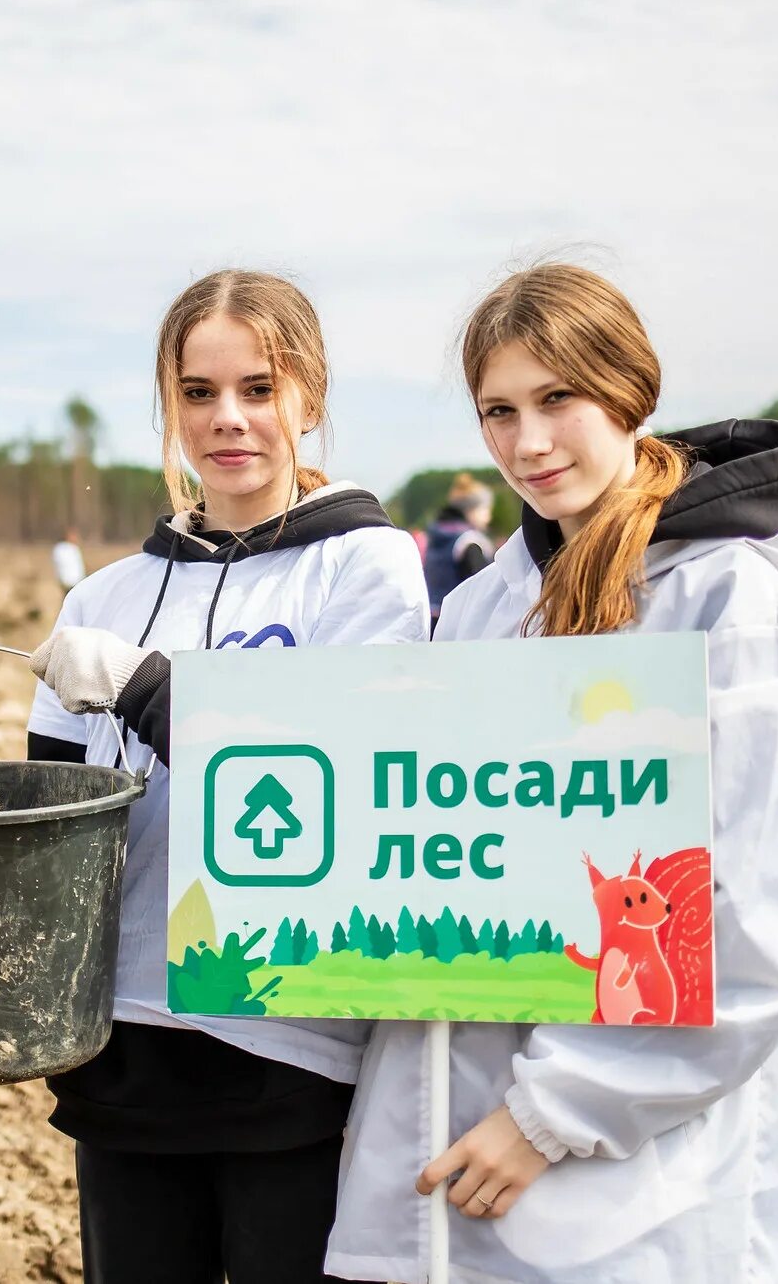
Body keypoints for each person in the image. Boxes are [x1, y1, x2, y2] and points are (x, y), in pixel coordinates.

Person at [327, 264, 778, 1283]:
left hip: (641, 1187)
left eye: (556, 399)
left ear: (629, 393)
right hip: (452, 1157)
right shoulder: (486, 608)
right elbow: (435, 858)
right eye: (497, 411)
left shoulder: (734, 616)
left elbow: (760, 922)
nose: (526, 444)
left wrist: (550, 1115)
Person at [25, 269, 429, 1284]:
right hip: (124, 1047)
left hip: (286, 1043)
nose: (228, 419)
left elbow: (335, 780)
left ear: (310, 398)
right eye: (197, 394)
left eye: (258, 387)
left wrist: (146, 686)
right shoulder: (106, 594)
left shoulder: (364, 568)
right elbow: (56, 834)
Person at [424, 472, 496, 629]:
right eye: (486, 509)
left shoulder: (437, 535)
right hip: (460, 623)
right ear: (471, 510)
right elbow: (484, 589)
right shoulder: (469, 542)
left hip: (433, 618)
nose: (489, 517)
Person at [53, 527, 88, 592]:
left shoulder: (75, 548)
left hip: (77, 582)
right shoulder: (61, 549)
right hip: (68, 582)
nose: (76, 538)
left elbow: (79, 566)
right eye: (73, 536)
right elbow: (63, 565)